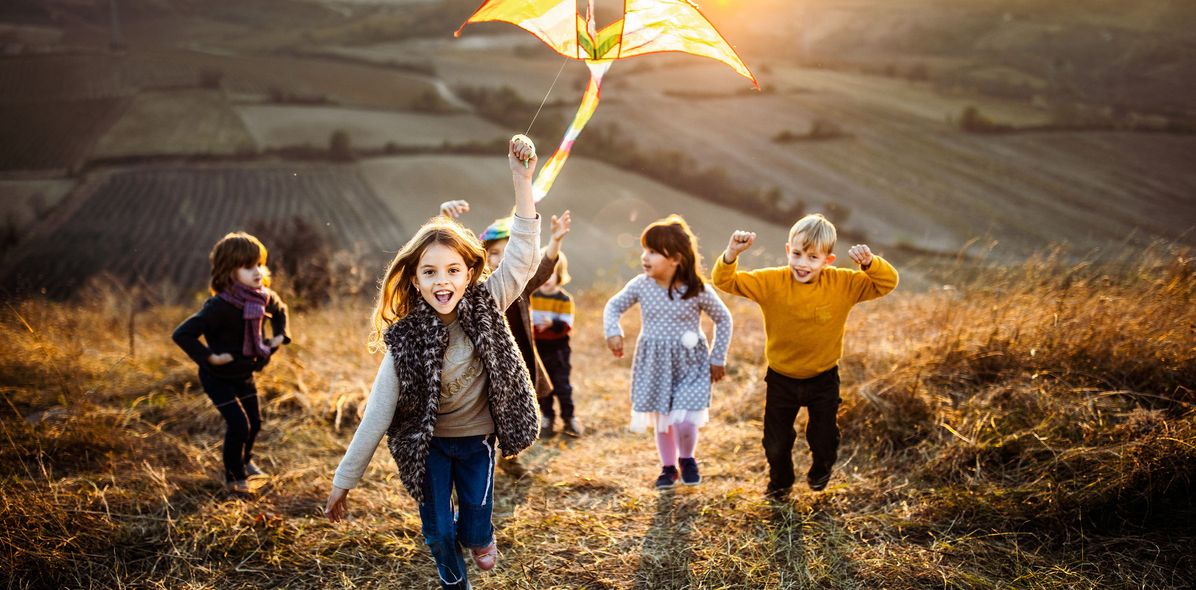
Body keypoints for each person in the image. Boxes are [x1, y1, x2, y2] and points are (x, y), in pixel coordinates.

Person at [325, 136, 541, 590]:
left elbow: (521, 258)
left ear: (469, 272)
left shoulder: (488, 303)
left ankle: (481, 537)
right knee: (440, 532)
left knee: (476, 523)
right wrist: (344, 481)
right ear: (415, 279)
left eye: (452, 270)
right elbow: (377, 415)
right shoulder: (405, 339)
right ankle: (452, 577)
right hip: (431, 448)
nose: (442, 281)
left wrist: (522, 183)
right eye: (430, 272)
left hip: (478, 440)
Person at [711, 213, 898, 498]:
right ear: (788, 250)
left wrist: (870, 264)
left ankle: (821, 468)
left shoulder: (844, 284)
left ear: (828, 260)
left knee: (823, 439)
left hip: (823, 379)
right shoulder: (771, 281)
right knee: (775, 442)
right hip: (781, 379)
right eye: (797, 254)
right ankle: (781, 483)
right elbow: (726, 281)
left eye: (813, 257)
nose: (802, 263)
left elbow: (887, 283)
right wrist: (731, 254)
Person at [438, 200, 572, 475]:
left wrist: (555, 241)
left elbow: (544, 268)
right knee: (487, 410)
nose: (500, 259)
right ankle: (476, 461)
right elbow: (444, 261)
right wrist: (444, 221)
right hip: (484, 364)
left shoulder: (519, 285)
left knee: (513, 409)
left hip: (517, 359)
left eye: (507, 252)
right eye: (494, 253)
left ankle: (508, 457)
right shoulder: (476, 291)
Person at [603, 215, 732, 489]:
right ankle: (668, 467)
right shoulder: (641, 285)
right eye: (644, 250)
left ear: (675, 258)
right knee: (663, 421)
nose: (644, 257)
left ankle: (687, 459)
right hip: (655, 363)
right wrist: (613, 331)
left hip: (692, 365)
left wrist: (717, 357)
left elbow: (724, 318)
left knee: (684, 421)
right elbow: (613, 306)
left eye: (652, 251)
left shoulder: (696, 289)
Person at [172, 232, 290, 494]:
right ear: (229, 271)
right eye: (248, 267)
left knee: (255, 423)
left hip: (243, 372)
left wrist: (280, 335)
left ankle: (245, 462)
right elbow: (182, 334)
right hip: (217, 377)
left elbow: (280, 309)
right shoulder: (219, 307)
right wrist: (210, 357)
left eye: (259, 264)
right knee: (239, 425)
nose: (257, 272)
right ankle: (234, 478)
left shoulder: (261, 296)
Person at [530, 250, 581, 438]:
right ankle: (547, 418)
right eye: (545, 272)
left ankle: (569, 418)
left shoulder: (564, 299)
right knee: (544, 386)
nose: (548, 278)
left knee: (562, 386)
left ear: (559, 274)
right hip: (539, 348)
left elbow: (567, 324)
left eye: (552, 273)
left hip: (558, 349)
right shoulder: (532, 296)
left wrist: (552, 324)